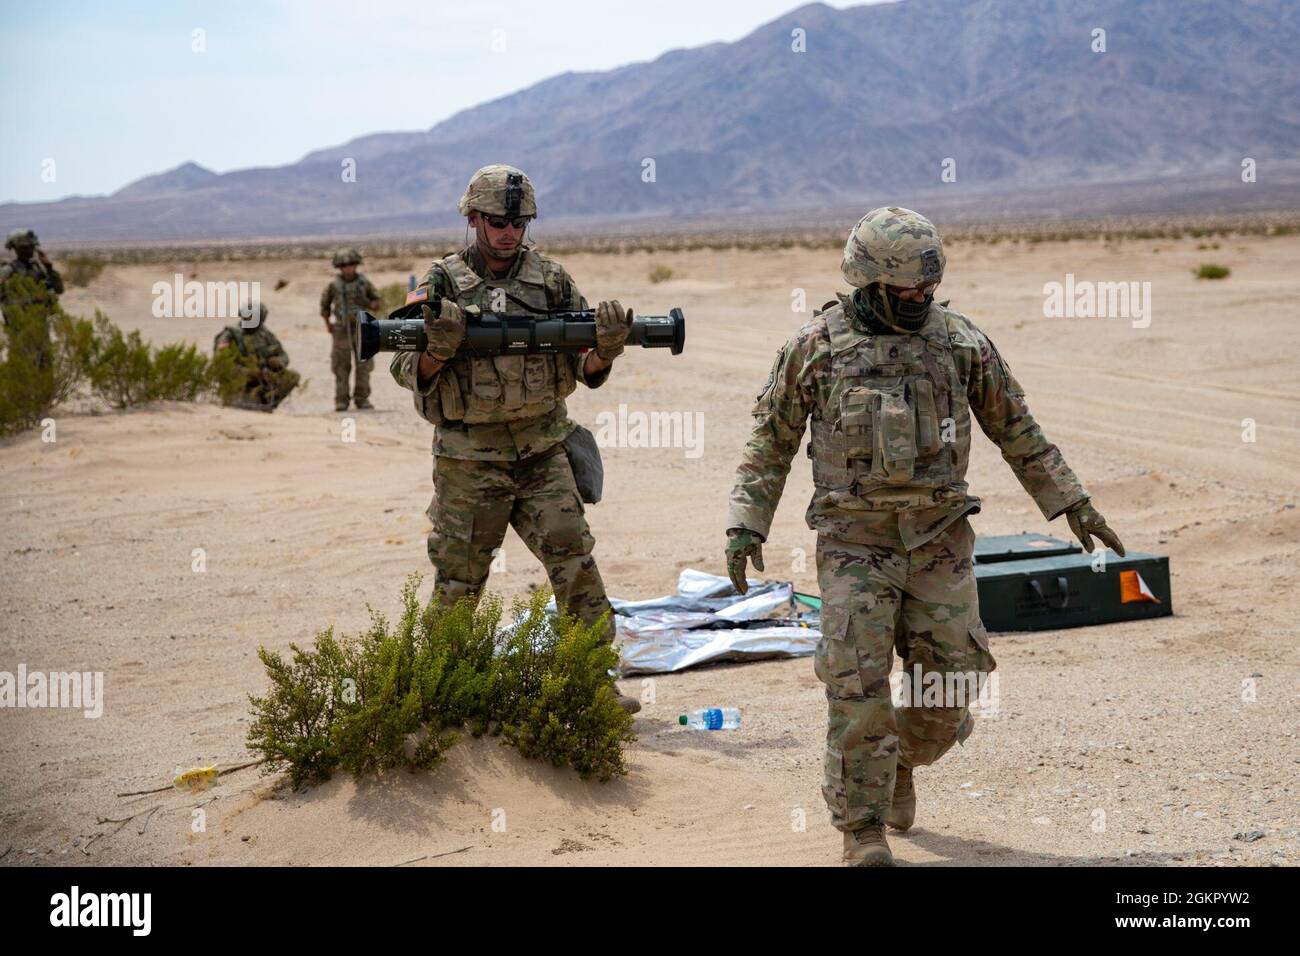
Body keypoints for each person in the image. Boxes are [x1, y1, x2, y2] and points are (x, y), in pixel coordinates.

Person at [725, 206, 1124, 865]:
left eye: (928, 288)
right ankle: (862, 831)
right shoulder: (815, 348)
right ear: (872, 282)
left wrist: (1073, 504)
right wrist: (745, 522)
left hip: (939, 540)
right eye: (909, 289)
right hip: (855, 543)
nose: (921, 299)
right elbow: (767, 448)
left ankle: (904, 759)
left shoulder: (960, 343)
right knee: (857, 685)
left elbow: (1019, 432)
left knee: (953, 687)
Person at [389, 164, 641, 713]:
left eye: (519, 220)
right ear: (474, 218)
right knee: (460, 581)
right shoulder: (439, 283)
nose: (509, 231)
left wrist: (608, 349)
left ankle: (596, 687)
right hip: (469, 461)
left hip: (542, 452)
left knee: (576, 566)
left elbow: (584, 365)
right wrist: (438, 349)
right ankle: (436, 697)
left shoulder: (550, 279)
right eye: (498, 220)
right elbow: (406, 369)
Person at [320, 248, 382, 411]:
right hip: (341, 330)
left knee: (364, 365)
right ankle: (341, 400)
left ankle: (362, 399)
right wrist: (329, 325)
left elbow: (377, 303)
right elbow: (325, 306)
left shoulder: (364, 283)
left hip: (362, 328)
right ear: (339, 267)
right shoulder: (334, 285)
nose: (348, 268)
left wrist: (367, 303)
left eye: (351, 265)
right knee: (341, 366)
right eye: (344, 266)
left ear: (356, 266)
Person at [213, 302, 299, 411]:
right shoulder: (229, 334)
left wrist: (277, 361)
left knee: (292, 376)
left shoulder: (265, 334)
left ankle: (267, 404)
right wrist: (248, 373)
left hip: (262, 379)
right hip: (239, 380)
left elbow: (284, 356)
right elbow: (222, 363)